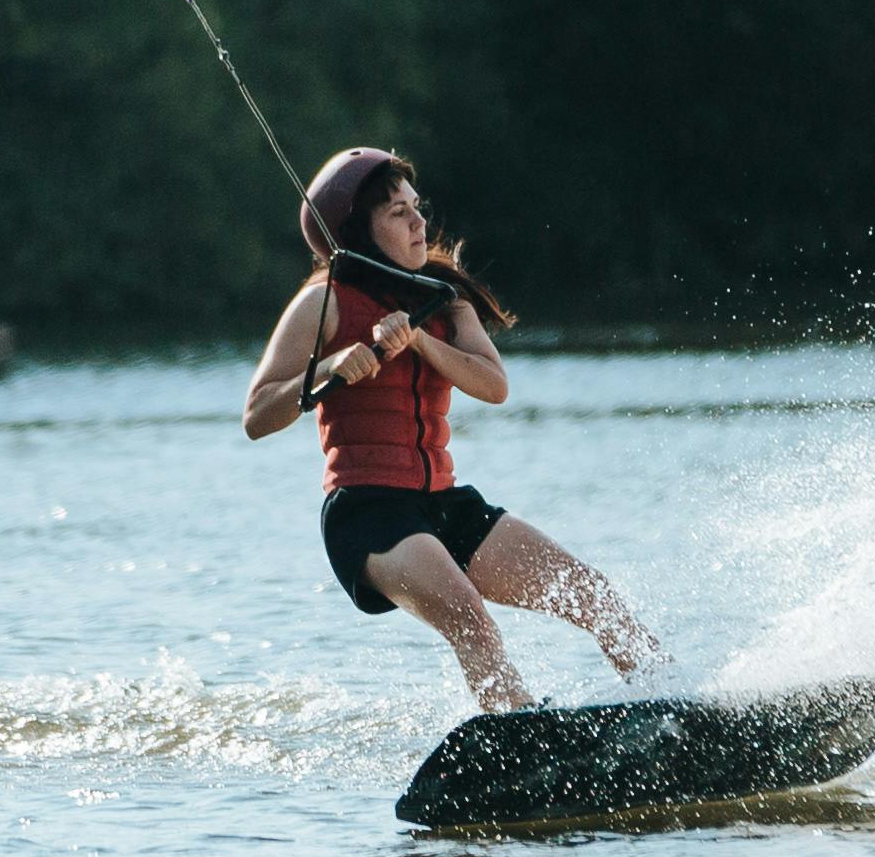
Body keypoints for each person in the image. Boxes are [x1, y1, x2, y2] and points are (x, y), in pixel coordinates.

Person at [242, 147, 664, 711]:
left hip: (442, 503)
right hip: (368, 514)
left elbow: (494, 385)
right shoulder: (324, 303)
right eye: (397, 213)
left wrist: (420, 341)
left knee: (588, 592)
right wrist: (329, 368)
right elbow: (257, 414)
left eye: (417, 208)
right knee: (470, 618)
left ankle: (674, 698)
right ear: (358, 231)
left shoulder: (444, 300)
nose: (419, 222)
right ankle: (520, 736)